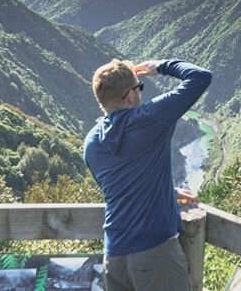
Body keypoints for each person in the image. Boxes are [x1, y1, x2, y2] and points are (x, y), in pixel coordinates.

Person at [84, 58, 212, 291]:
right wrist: (160, 66)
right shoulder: (150, 119)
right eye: (139, 87)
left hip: (114, 256)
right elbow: (201, 77)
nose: (141, 92)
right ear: (130, 96)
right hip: (156, 254)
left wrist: (168, 191)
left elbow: (120, 188)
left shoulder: (91, 144)